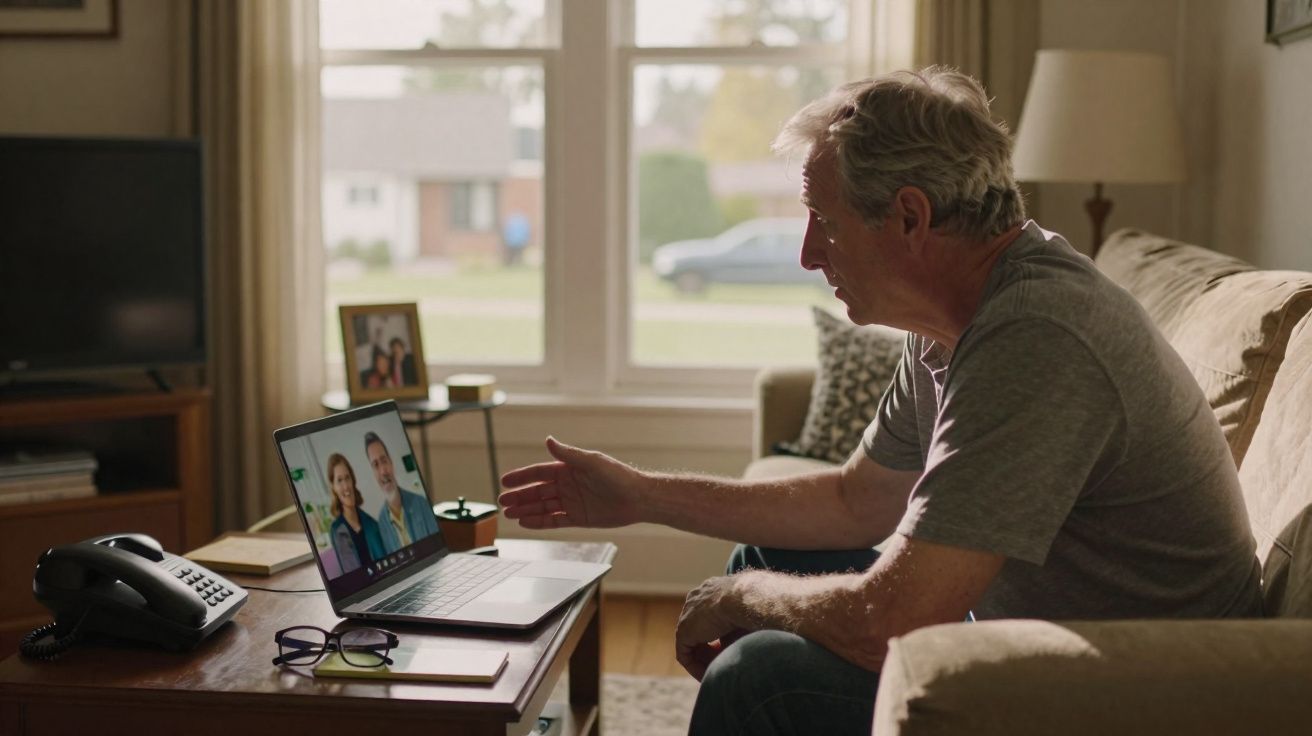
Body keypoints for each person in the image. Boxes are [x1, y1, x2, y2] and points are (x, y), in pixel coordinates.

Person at [498, 67, 1262, 735]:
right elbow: (856, 500)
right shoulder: (951, 319)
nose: (806, 253)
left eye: (824, 222)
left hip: (1126, 687)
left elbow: (891, 619)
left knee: (757, 679)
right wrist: (638, 495)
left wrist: (740, 599)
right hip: (1026, 633)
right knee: (766, 562)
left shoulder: (1037, 336)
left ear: (909, 216)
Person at [366, 431, 439, 554]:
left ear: (391, 463)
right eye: (376, 465)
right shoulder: (382, 523)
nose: (383, 471)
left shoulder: (421, 503)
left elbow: (438, 551)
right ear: (373, 473)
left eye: (384, 460)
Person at [326, 453, 386, 574]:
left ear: (353, 480)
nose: (346, 486)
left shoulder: (372, 524)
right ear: (334, 487)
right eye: (339, 480)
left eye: (348, 478)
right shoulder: (337, 530)